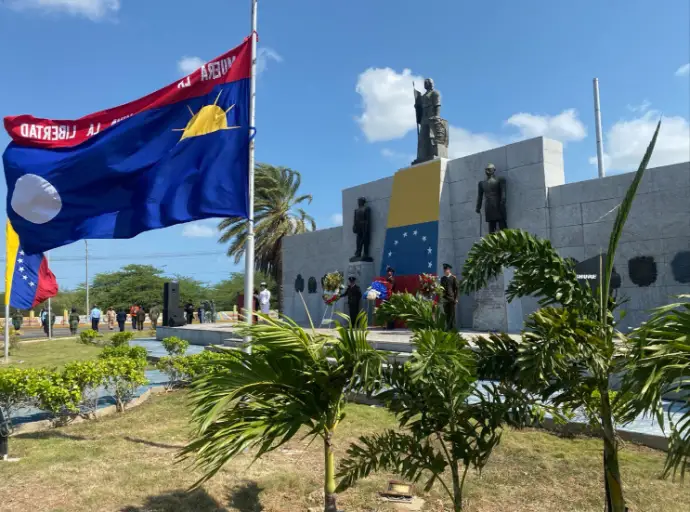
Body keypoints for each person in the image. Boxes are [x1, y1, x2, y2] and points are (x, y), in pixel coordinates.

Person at [439, 263, 460, 332]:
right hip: (445, 299)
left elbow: (456, 289)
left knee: (452, 315)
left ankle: (453, 329)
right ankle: (448, 329)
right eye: (444, 270)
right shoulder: (442, 279)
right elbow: (441, 289)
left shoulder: (453, 278)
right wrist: (441, 296)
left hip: (452, 299)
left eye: (446, 269)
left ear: (449, 270)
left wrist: (456, 298)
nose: (445, 271)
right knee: (447, 314)